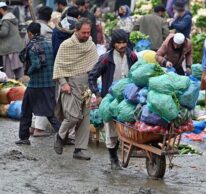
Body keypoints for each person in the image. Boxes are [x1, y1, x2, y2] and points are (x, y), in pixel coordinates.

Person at [88, 29, 138, 169]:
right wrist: (97, 95)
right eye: (118, 43)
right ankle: (113, 157)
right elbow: (92, 76)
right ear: (113, 44)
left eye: (124, 42)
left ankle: (125, 151)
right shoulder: (105, 59)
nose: (122, 45)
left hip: (128, 98)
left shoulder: (132, 57)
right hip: (109, 99)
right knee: (110, 128)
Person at [53, 18, 98, 160]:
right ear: (76, 31)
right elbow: (58, 66)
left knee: (85, 117)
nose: (86, 35)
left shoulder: (91, 45)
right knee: (72, 116)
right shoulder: (66, 45)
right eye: (83, 32)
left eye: (88, 32)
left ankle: (80, 149)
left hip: (86, 85)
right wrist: (63, 83)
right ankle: (60, 136)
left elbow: (95, 67)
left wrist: (94, 87)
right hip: (70, 84)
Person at [15, 22, 61, 145]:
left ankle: (24, 138)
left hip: (36, 84)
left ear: (30, 33)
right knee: (50, 112)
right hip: (50, 83)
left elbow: (36, 64)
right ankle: (64, 135)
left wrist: (28, 73)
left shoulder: (32, 46)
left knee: (26, 110)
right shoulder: (49, 44)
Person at [0, 2, 24, 80]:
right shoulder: (12, 18)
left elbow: (3, 33)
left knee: (9, 72)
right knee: (19, 70)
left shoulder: (5, 20)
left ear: (1, 9)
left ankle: (11, 89)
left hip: (9, 49)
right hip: (17, 48)